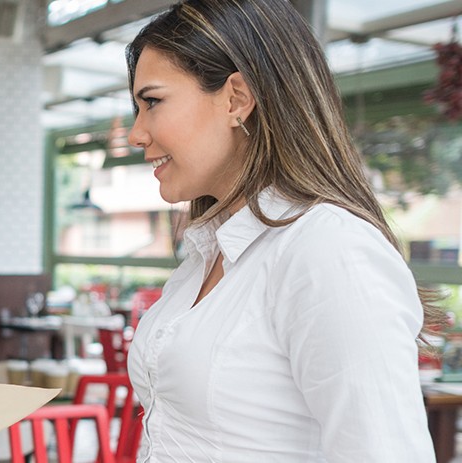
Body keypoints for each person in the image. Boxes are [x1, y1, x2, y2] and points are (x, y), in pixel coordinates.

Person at [123, 0, 443, 461]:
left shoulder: (328, 250)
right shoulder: (207, 251)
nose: (137, 134)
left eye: (152, 102)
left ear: (236, 98)